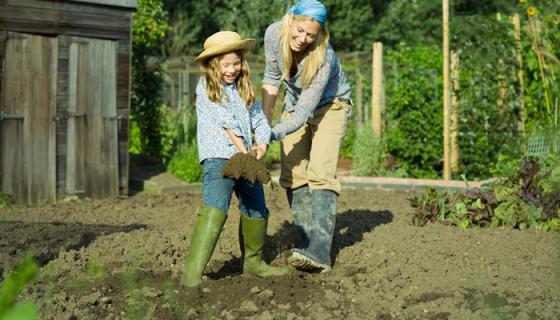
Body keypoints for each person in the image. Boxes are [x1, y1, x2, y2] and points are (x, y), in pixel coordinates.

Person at [181, 31, 288, 287]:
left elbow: (259, 119)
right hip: (219, 158)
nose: (232, 69)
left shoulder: (243, 89)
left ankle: (253, 263)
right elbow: (225, 122)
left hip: (245, 158)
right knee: (216, 209)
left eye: (236, 63)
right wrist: (245, 151)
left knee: (256, 208)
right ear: (212, 64)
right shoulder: (206, 88)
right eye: (225, 65)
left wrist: (261, 144)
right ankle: (192, 277)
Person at [261, 0, 351, 273]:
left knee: (320, 172)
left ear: (320, 34)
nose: (302, 39)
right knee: (292, 175)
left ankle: (320, 252)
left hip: (330, 105)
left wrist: (272, 134)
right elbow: (271, 78)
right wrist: (263, 125)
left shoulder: (323, 57)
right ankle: (307, 242)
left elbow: (303, 113)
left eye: (310, 35)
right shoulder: (273, 34)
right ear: (290, 19)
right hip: (294, 102)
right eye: (299, 31)